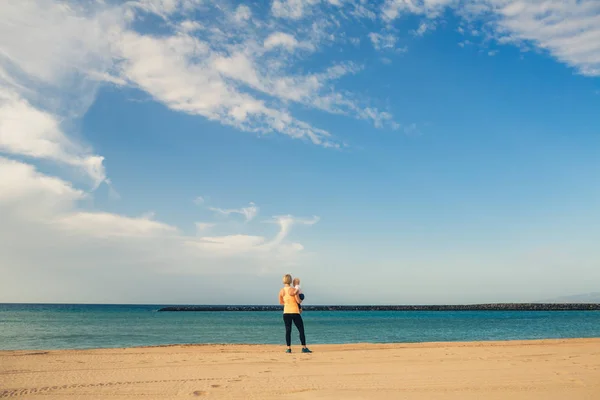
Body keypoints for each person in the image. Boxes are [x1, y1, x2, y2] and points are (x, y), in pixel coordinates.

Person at [279, 274, 312, 354]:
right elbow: (298, 301)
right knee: (301, 329)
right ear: (290, 281)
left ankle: (288, 349)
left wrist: (287, 302)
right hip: (295, 311)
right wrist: (301, 301)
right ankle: (304, 348)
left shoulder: (281, 291)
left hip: (286, 312)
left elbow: (281, 302)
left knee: (288, 330)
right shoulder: (293, 289)